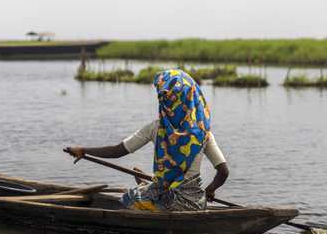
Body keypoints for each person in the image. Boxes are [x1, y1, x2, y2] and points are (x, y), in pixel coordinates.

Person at [65, 69, 229, 211]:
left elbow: (117, 151)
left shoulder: (156, 128)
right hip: (194, 203)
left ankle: (149, 185)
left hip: (167, 203)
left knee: (129, 197)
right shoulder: (203, 133)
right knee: (153, 188)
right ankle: (149, 183)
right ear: (191, 97)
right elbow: (223, 172)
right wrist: (210, 190)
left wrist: (84, 150)